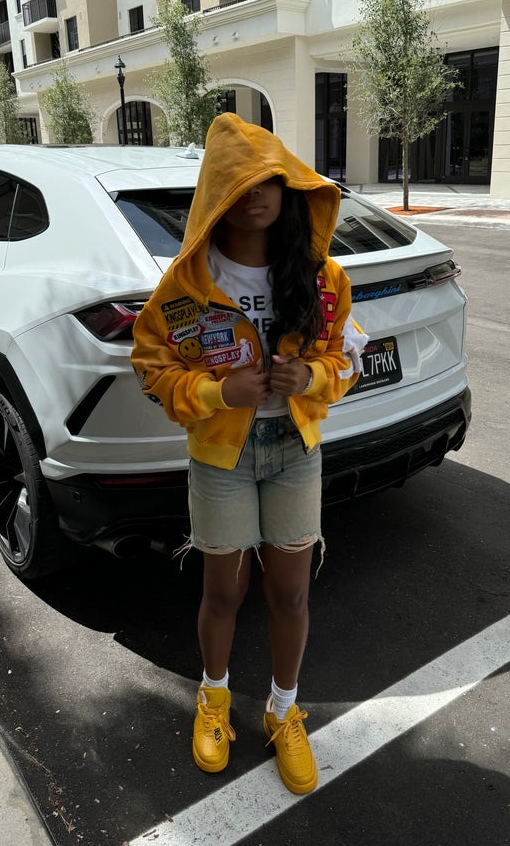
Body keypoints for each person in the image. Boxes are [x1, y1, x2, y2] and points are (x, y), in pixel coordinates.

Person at [131, 113, 359, 795]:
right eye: (239, 182)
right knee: (223, 591)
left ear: (289, 188)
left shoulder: (322, 277)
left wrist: (310, 377)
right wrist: (216, 392)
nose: (255, 194)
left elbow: (345, 358)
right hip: (220, 457)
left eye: (268, 180)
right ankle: (214, 698)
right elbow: (151, 366)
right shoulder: (187, 283)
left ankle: (283, 712)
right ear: (216, 193)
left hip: (294, 450)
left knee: (290, 591)